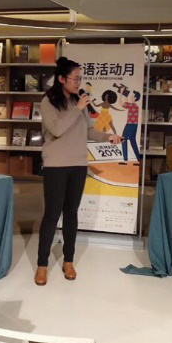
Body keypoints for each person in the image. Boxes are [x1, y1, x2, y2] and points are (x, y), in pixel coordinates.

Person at [35, 57, 122, 286]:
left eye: (80, 78)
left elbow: (89, 132)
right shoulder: (48, 102)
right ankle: (42, 264)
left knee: (71, 214)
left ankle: (68, 261)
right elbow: (56, 129)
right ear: (62, 79)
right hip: (55, 166)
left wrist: (108, 137)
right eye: (75, 78)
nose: (79, 82)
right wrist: (78, 108)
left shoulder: (78, 102)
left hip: (78, 165)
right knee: (52, 215)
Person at [119, 90, 142, 162]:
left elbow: (120, 103)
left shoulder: (132, 105)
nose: (131, 96)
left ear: (135, 98)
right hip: (134, 125)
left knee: (123, 139)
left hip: (130, 124)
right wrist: (125, 94)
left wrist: (121, 93)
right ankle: (138, 158)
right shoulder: (135, 106)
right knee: (133, 141)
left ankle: (125, 159)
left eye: (132, 96)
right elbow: (126, 102)